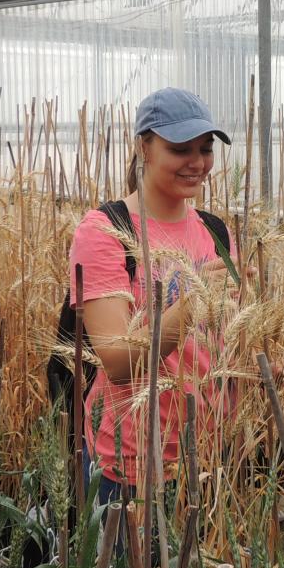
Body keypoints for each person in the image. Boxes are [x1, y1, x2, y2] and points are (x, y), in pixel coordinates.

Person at [69, 87, 236, 508]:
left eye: (206, 148)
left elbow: (223, 339)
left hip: (208, 456)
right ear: (144, 146)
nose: (197, 162)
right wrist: (194, 299)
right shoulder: (105, 231)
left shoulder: (215, 230)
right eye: (180, 148)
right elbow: (118, 361)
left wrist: (264, 361)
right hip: (130, 464)